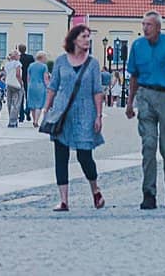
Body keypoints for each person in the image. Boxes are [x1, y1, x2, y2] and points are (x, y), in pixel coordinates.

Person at [125, 11, 165, 210]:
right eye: (143, 24)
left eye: (149, 25)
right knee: (149, 144)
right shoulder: (137, 46)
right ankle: (149, 193)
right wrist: (129, 103)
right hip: (145, 95)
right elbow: (134, 77)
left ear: (158, 27)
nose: (145, 28)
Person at [42, 25, 105, 211]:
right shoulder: (61, 61)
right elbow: (53, 86)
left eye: (88, 37)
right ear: (74, 39)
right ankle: (64, 200)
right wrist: (46, 109)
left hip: (86, 113)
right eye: (84, 36)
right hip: (62, 113)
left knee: (85, 155)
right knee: (60, 155)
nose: (87, 40)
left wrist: (99, 115)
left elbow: (97, 91)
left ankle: (95, 190)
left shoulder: (93, 63)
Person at [26, 51, 50, 127]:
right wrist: (49, 87)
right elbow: (45, 78)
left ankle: (34, 120)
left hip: (31, 86)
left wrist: (28, 85)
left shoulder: (31, 65)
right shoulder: (44, 66)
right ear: (42, 58)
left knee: (32, 105)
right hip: (40, 86)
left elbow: (28, 78)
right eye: (45, 57)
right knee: (39, 105)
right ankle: (36, 121)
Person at [4, 50, 24, 128]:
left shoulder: (7, 64)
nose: (19, 56)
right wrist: (21, 83)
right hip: (16, 85)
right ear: (15, 56)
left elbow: (6, 74)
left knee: (9, 102)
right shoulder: (17, 63)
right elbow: (18, 74)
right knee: (16, 103)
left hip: (9, 84)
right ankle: (13, 121)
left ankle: (10, 119)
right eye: (18, 55)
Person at [18, 44, 35, 123]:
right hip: (29, 79)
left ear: (19, 49)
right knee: (29, 97)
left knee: (20, 97)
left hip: (20, 79)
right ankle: (27, 111)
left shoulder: (18, 58)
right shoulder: (30, 57)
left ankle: (21, 116)